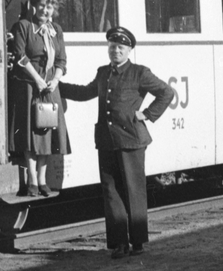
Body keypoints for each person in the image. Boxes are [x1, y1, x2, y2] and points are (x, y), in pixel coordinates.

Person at [60, 27, 175, 259]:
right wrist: (57, 86)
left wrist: (147, 114)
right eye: (112, 47)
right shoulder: (103, 72)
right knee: (111, 192)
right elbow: (85, 92)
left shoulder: (139, 72)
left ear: (129, 50)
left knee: (134, 190)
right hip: (106, 140)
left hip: (131, 140)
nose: (116, 51)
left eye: (121, 47)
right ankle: (119, 243)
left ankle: (138, 241)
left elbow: (167, 92)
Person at [9, 0, 70, 197]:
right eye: (42, 5)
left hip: (50, 87)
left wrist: (55, 80)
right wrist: (37, 79)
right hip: (30, 86)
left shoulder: (56, 30)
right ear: (34, 6)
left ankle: (43, 179)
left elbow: (61, 60)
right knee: (31, 134)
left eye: (49, 7)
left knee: (46, 131)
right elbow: (20, 55)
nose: (45, 10)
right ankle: (32, 180)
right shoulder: (24, 26)